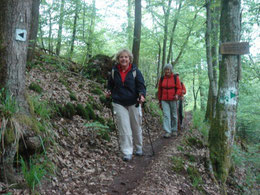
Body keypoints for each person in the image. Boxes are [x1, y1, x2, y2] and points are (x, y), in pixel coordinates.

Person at [106, 49, 146, 161]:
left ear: (130, 59)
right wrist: (108, 91)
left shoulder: (135, 71)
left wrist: (142, 95)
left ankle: (138, 147)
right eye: (121, 57)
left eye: (126, 57)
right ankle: (127, 152)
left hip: (134, 102)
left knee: (136, 126)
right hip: (119, 102)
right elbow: (110, 84)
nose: (124, 59)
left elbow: (141, 86)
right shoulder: (114, 72)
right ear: (118, 59)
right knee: (124, 128)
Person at [158, 64, 182, 138]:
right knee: (166, 115)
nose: (167, 71)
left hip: (173, 99)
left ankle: (174, 130)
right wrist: (159, 100)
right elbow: (160, 90)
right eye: (166, 69)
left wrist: (177, 94)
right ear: (164, 70)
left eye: (168, 69)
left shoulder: (175, 78)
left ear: (171, 70)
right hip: (164, 99)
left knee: (174, 115)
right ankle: (168, 131)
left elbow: (179, 88)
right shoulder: (162, 78)